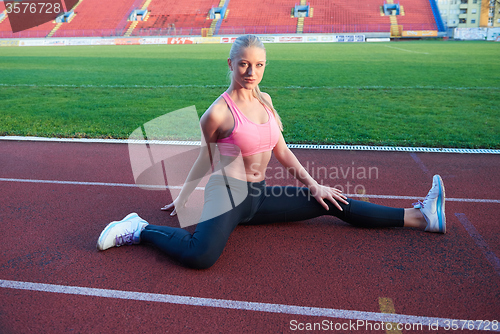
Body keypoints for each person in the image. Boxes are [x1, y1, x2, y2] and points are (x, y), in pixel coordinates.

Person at [96, 35, 446, 269]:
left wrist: (314, 184)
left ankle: (420, 216)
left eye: (259, 65)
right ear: (230, 64)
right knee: (201, 255)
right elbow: (206, 156)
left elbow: (281, 150)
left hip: (260, 196)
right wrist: (183, 196)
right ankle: (138, 228)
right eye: (244, 64)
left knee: (331, 201)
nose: (251, 72)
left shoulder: (266, 100)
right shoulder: (217, 113)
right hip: (227, 196)